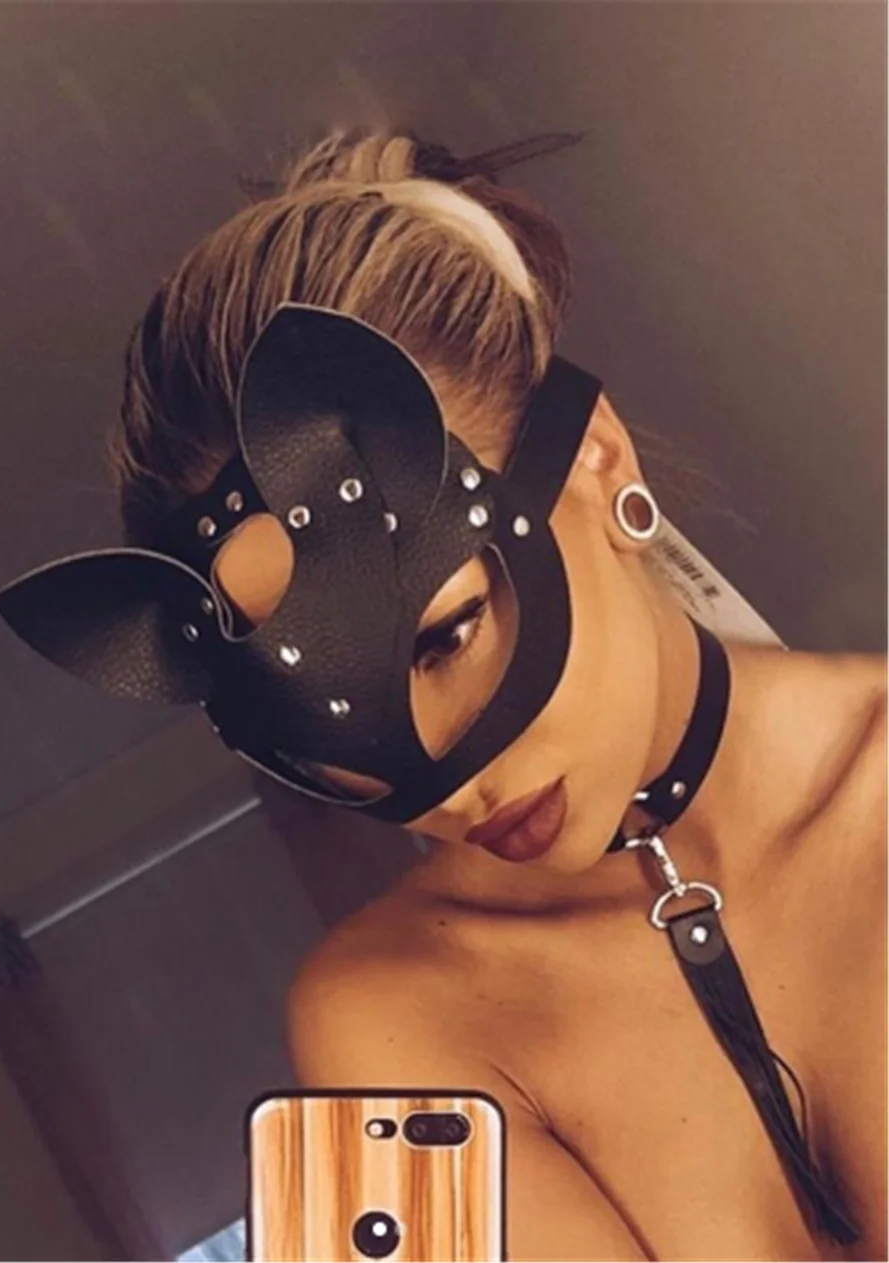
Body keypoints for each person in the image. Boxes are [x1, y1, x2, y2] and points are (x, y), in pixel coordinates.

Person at [43, 130, 889, 1260]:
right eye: (317, 711)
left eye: (445, 635)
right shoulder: (387, 1010)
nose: (444, 778)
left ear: (595, 459)